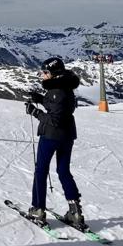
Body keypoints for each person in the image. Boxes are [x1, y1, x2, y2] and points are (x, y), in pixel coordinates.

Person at [24, 57, 85, 228]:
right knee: (63, 171)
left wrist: (34, 112)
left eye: (45, 72)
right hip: (67, 136)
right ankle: (75, 212)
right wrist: (40, 98)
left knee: (41, 171)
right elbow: (57, 105)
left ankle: (38, 209)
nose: (42, 75)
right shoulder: (65, 86)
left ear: (54, 74)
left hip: (51, 136)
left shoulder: (57, 90)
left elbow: (54, 118)